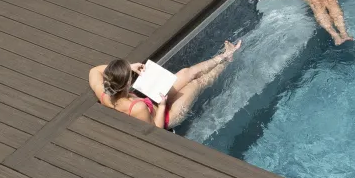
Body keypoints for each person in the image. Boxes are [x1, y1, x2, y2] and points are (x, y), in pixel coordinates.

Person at [88, 40, 241, 131]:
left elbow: (94, 71)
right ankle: (228, 60)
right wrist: (162, 106)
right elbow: (156, 127)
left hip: (153, 100)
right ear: (127, 83)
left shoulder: (104, 93)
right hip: (167, 116)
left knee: (186, 72)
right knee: (197, 83)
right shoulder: (136, 108)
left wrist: (128, 67)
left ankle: (222, 56)